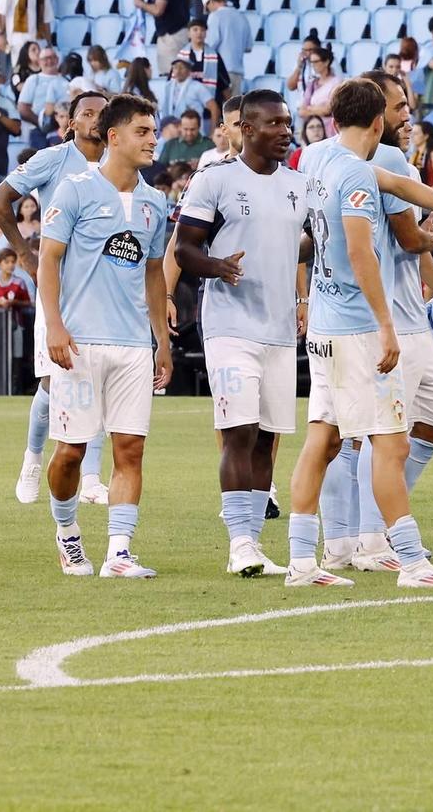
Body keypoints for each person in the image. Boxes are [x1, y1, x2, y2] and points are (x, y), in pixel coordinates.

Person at [285, 77, 433, 589]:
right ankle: (410, 562)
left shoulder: (320, 160)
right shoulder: (353, 173)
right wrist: (386, 325)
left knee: (323, 437)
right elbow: (360, 251)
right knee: (391, 446)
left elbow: (397, 185)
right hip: (358, 330)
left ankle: (302, 561)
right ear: (378, 123)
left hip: (325, 326)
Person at [36, 94, 172, 579]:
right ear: (114, 137)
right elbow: (48, 260)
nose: (152, 140)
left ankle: (119, 552)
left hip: (133, 345)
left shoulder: (156, 202)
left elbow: (154, 272)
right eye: (143, 132)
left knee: (130, 448)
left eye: (154, 132)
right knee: (70, 451)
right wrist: (54, 325)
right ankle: (67, 533)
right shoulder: (74, 190)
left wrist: (161, 340)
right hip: (79, 343)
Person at [172, 88, 303, 579]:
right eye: (274, 123)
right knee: (239, 431)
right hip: (230, 326)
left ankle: (254, 542)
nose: (285, 131)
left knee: (267, 437)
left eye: (287, 123)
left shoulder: (298, 185)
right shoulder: (215, 180)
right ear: (246, 129)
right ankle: (239, 543)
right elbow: (184, 248)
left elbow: (298, 244)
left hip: (279, 328)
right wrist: (217, 266)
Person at [0, 89, 111, 510]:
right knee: (53, 380)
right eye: (88, 113)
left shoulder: (118, 164)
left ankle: (92, 478)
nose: (96, 119)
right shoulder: (53, 159)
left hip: (105, 286)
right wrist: (26, 255)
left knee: (98, 376)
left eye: (102, 113)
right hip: (58, 285)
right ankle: (32, 458)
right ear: (72, 122)